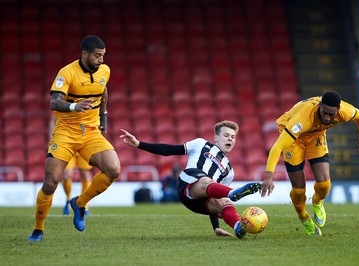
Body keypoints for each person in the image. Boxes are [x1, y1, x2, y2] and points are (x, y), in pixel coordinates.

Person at [27, 35, 121, 241]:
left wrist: (103, 122)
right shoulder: (67, 73)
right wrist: (74, 106)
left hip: (91, 132)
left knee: (114, 169)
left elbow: (103, 94)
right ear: (84, 54)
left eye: (103, 56)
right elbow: (54, 101)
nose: (101, 60)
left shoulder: (104, 71)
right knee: (51, 182)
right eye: (97, 56)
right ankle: (38, 228)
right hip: (66, 132)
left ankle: (79, 203)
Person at [120, 121, 262, 238]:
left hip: (198, 202)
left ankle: (238, 226)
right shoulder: (201, 144)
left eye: (233, 137)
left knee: (224, 201)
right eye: (226, 135)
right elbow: (169, 150)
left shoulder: (230, 171)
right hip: (188, 182)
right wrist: (139, 144)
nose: (230, 138)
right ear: (216, 137)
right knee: (209, 183)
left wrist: (216, 228)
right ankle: (233, 193)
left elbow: (215, 196)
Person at [260, 91, 359, 236]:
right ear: (319, 106)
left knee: (325, 184)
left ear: (338, 110)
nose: (327, 117)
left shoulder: (345, 111)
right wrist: (269, 177)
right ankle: (303, 216)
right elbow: (277, 147)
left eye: (331, 115)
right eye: (324, 113)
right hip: (294, 138)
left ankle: (317, 201)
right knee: (299, 190)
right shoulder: (302, 119)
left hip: (315, 135)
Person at [49, 115, 93, 215]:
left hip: (85, 142)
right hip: (68, 142)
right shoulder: (65, 100)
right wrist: (51, 139)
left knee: (85, 173)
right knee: (66, 174)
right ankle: (68, 199)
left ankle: (84, 205)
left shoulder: (89, 100)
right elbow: (53, 120)